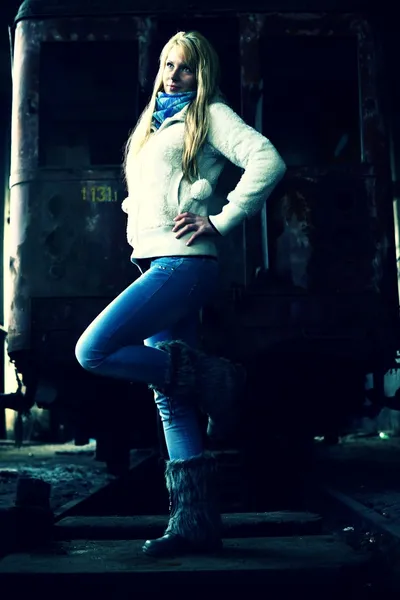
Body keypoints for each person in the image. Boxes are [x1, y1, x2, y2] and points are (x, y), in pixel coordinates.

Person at [75, 30, 286, 557]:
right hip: (158, 258)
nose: (174, 75)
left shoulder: (210, 115)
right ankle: (193, 523)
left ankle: (215, 376)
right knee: (171, 400)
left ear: (203, 74)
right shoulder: (154, 123)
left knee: (93, 351)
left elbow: (267, 160)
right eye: (169, 65)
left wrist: (222, 219)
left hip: (184, 262)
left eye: (186, 68)